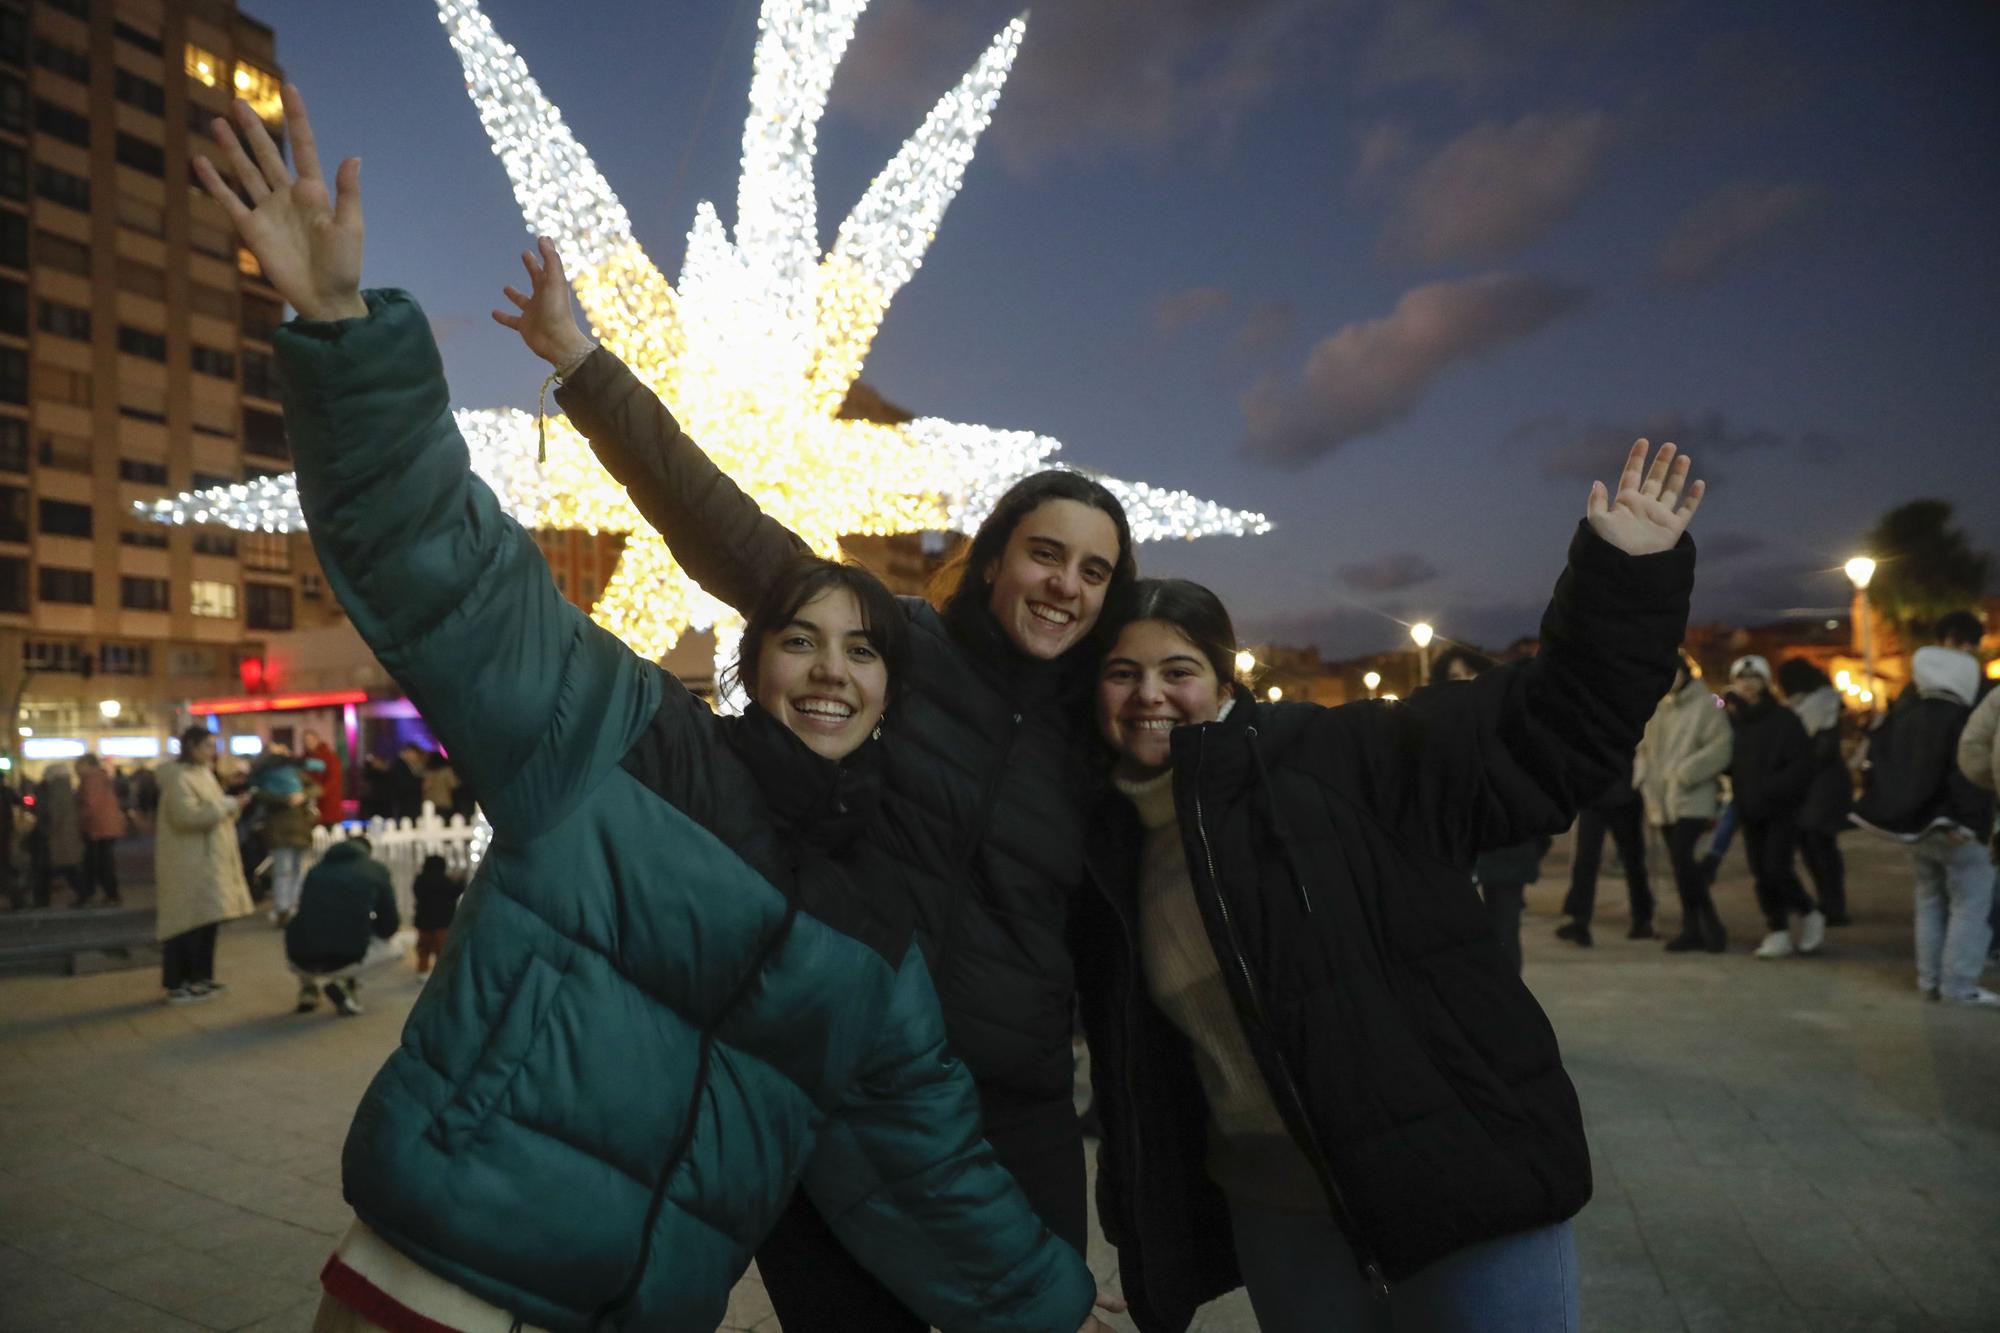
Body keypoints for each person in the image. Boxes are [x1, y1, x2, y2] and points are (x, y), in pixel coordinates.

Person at [193, 86, 1113, 1333]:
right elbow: (454, 573)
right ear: (753, 660)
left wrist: (1056, 1302)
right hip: (439, 1290)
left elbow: (924, 1167)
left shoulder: (873, 942)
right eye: (798, 639)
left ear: (892, 692)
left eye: (860, 648)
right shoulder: (623, 743)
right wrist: (342, 328)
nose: (831, 667)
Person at [503, 234, 1136, 1323]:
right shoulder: (901, 651)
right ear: (993, 560)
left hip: (1016, 1103)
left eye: (1093, 570)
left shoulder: (1100, 731)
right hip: (841, 1091)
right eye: (1045, 554)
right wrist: (583, 367)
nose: (1063, 585)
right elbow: (729, 531)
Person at [1077, 440, 1702, 1332]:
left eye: (1177, 670)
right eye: (1121, 672)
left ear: (1223, 681)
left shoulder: (1339, 757)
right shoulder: (1108, 849)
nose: (1149, 696)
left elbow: (1546, 729)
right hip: (1279, 1216)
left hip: (1460, 1183)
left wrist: (1624, 576)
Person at [1855, 646, 1997, 1005]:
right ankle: (1959, 985)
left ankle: (1928, 978)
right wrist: (1972, 823)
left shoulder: (1902, 716)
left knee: (1929, 900)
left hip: (1915, 828)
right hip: (1957, 828)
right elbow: (1968, 774)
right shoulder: (1961, 718)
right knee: (1970, 904)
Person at [1725, 656, 1824, 959]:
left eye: (1754, 679)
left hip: (1780, 808)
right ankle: (1777, 929)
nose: (1748, 685)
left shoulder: (1784, 720)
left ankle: (1808, 912)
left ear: (1765, 683)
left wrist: (1774, 790)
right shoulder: (1734, 721)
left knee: (1776, 867)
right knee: (1760, 871)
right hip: (1749, 807)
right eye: (1743, 679)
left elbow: (1801, 765)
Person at [1636, 655, 1733, 953]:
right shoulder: (1658, 707)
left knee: (1683, 861)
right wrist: (1643, 777)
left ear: (1686, 673)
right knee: (1681, 867)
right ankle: (1696, 928)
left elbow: (1721, 746)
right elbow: (1645, 748)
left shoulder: (1704, 705)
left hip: (1692, 795)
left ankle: (1710, 926)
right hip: (1662, 797)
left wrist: (1686, 773)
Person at [155, 727, 257, 1003]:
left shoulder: (202, 774)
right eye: (208, 746)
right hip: (189, 861)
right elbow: (185, 817)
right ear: (192, 746)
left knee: (205, 920)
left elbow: (210, 813)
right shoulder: (179, 777)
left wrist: (232, 805)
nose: (213, 752)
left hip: (207, 858)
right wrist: (227, 805)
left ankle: (201, 978)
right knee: (186, 922)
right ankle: (179, 982)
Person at [286, 835, 404, 1015]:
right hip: (345, 958)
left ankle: (308, 989)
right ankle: (345, 984)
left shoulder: (315, 871)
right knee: (395, 950)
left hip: (299, 958)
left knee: (306, 929)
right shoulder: (376, 871)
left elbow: (303, 913)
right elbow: (389, 924)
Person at [1776, 658, 1852, 925]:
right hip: (1817, 785)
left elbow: (1821, 749)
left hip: (1823, 785)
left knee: (1819, 846)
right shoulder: (1815, 704)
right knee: (1814, 846)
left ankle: (1833, 905)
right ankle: (1829, 901)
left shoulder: (1820, 705)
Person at [1555, 758, 1654, 947]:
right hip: (1613, 793)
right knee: (1626, 860)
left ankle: (1581, 920)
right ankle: (1641, 918)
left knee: (1593, 860)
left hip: (1610, 794)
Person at [251, 753, 319, 925]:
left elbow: (258, 795)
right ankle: (288, 908)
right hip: (294, 830)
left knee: (286, 870)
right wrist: (297, 798)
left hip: (287, 830)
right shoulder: (293, 775)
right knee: (291, 870)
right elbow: (317, 787)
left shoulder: (265, 779)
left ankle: (287, 908)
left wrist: (296, 798)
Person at [74, 755, 129, 908]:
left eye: (78, 766)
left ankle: (105, 894)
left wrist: (79, 820)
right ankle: (108, 894)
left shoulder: (92, 780)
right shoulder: (101, 777)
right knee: (102, 862)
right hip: (106, 826)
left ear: (88, 765)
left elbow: (91, 805)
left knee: (98, 862)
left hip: (98, 827)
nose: (76, 769)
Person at [410, 852, 463, 976]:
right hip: (443, 921)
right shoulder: (446, 880)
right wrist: (460, 881)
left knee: (424, 949)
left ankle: (422, 971)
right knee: (442, 951)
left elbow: (417, 894)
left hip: (424, 920)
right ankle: (441, 975)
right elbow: (457, 891)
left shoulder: (420, 879)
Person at [301, 728, 345, 826]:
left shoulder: (329, 757)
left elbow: (333, 780)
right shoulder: (305, 759)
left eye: (310, 740)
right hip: (312, 806)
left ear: (316, 740)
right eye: (305, 741)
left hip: (329, 805)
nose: (308, 743)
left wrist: (319, 791)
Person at [420, 750, 458, 815]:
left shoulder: (427, 773)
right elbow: (454, 784)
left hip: (429, 803)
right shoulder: (446, 771)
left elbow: (423, 787)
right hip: (444, 803)